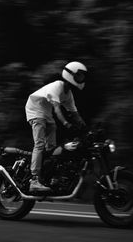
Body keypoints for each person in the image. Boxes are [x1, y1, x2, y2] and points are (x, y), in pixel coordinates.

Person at [25, 61, 87, 192]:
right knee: (40, 144)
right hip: (35, 110)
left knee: (52, 148)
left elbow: (75, 114)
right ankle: (34, 180)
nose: (81, 78)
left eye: (82, 76)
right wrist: (66, 124)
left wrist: (85, 128)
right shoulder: (57, 86)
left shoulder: (68, 94)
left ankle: (48, 176)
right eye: (79, 75)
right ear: (71, 75)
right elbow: (57, 109)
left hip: (46, 114)